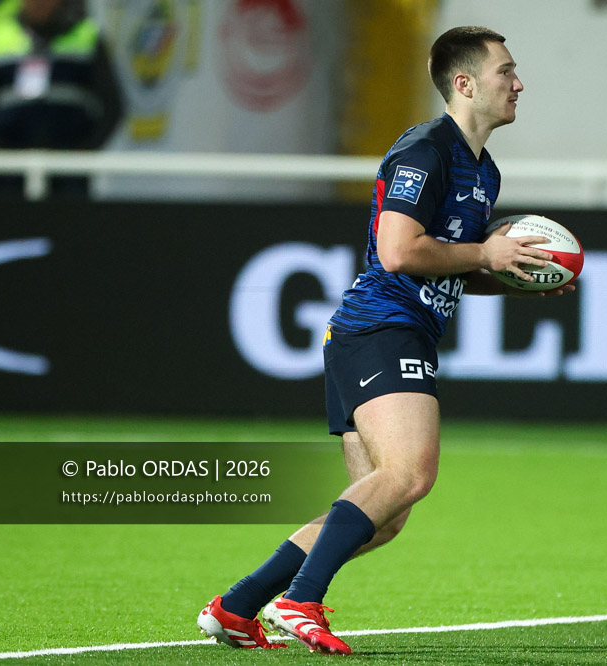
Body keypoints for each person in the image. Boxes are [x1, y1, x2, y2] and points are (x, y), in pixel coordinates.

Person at [197, 25, 574, 655]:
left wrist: (511, 278)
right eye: (506, 71)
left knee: (382, 515)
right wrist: (486, 249)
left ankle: (236, 607)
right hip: (380, 328)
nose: (518, 83)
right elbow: (399, 253)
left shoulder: (485, 170)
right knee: (410, 473)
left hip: (384, 334)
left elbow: (443, 262)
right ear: (465, 83)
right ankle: (301, 600)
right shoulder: (426, 150)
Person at [0, 0, 123, 196]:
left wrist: (85, 150)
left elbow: (113, 105)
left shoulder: (86, 36)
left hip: (68, 169)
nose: (39, 3)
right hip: (7, 171)